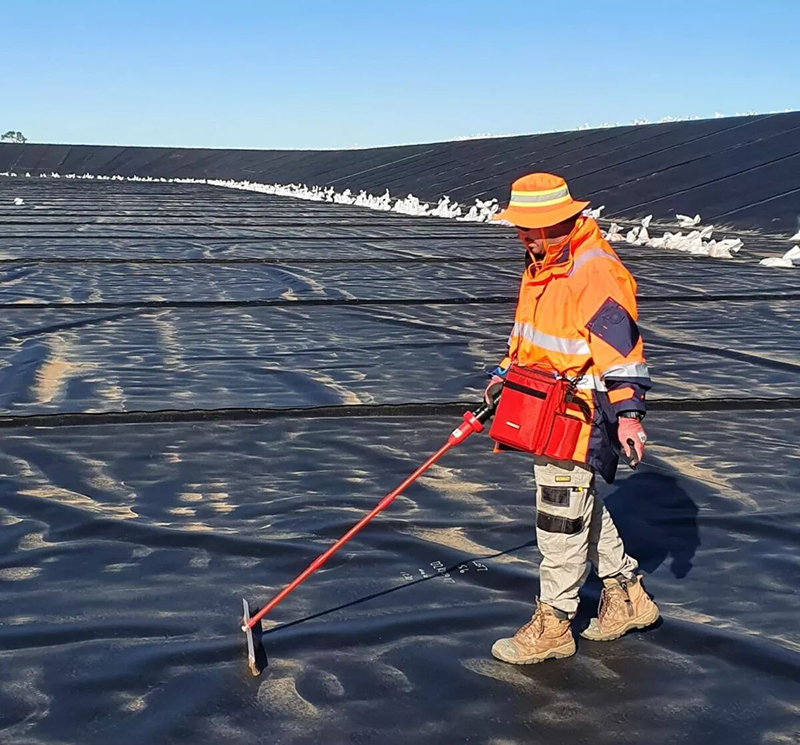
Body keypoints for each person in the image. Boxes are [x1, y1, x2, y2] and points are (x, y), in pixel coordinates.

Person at [486, 173, 659, 665]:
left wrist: (628, 414)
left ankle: (555, 623)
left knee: (560, 513)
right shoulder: (542, 261)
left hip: (579, 412)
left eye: (526, 227)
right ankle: (628, 597)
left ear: (552, 223)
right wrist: (507, 372)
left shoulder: (593, 269)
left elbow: (620, 349)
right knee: (578, 500)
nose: (519, 234)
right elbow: (532, 331)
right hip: (542, 404)